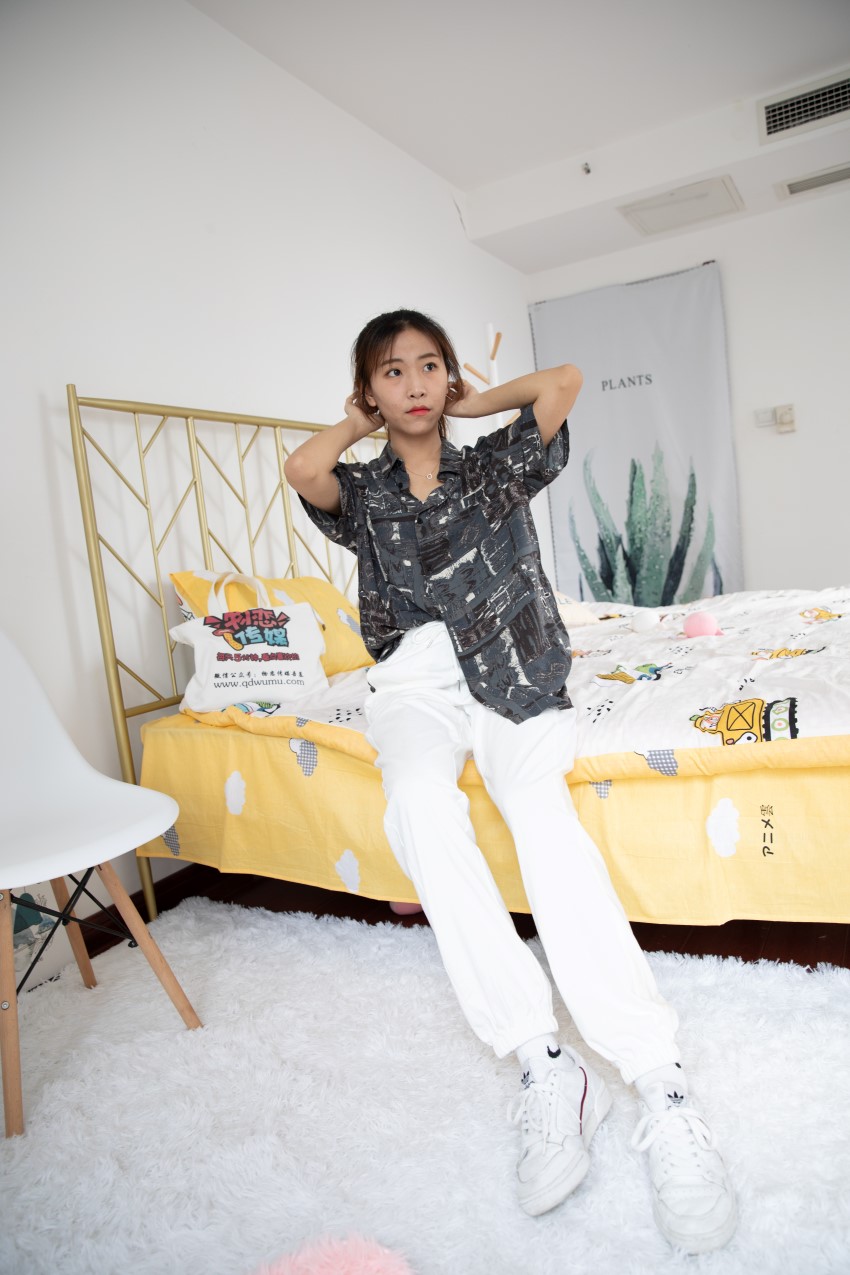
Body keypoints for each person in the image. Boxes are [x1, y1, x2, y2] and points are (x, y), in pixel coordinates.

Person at [283, 308, 736, 1254]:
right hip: (414, 681)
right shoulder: (362, 492)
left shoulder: (493, 464)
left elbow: (563, 380)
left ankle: (657, 1076)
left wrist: (472, 400)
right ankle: (543, 1059)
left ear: (448, 377)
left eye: (428, 366)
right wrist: (361, 419)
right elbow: (302, 468)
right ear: (368, 389)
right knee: (417, 804)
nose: (413, 383)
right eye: (392, 371)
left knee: (538, 813)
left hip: (515, 664)